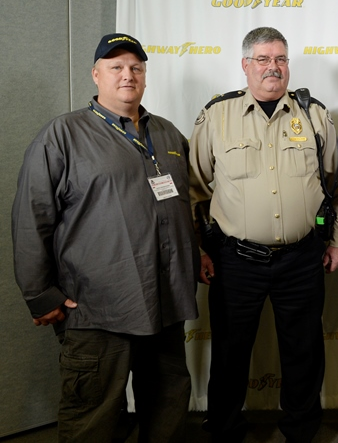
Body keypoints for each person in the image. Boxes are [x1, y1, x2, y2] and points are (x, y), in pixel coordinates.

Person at [11, 33, 199, 442]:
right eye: (116, 67)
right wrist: (40, 294)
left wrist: (197, 255)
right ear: (96, 75)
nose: (127, 75)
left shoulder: (168, 134)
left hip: (165, 303)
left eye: (136, 67)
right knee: (92, 420)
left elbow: (186, 204)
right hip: (98, 308)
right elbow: (32, 218)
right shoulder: (63, 135)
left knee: (167, 410)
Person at [189, 26, 338, 443]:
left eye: (280, 59)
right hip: (235, 260)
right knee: (230, 352)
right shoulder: (217, 116)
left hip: (302, 258)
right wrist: (200, 250)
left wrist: (335, 240)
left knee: (304, 351)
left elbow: (335, 186)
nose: (272, 67)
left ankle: (301, 431)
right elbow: (195, 191)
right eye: (262, 59)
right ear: (245, 65)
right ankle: (225, 430)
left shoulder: (314, 115)